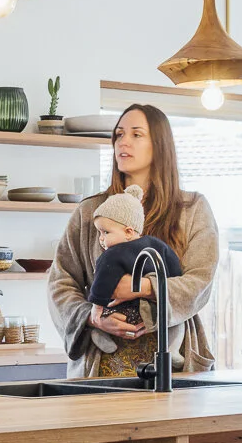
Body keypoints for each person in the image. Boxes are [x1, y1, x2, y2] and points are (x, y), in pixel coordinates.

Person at [49, 103, 219, 378]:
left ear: (160, 145)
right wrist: (93, 317)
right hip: (101, 369)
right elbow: (60, 283)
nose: (123, 142)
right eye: (119, 134)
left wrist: (144, 288)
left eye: (136, 134)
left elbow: (201, 281)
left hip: (174, 366)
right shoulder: (90, 212)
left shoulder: (192, 209)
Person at [85, 184, 184, 352]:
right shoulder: (157, 245)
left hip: (126, 312)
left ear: (128, 232)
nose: (101, 239)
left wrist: (97, 309)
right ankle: (172, 349)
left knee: (103, 317)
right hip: (150, 311)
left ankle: (101, 337)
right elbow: (174, 268)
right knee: (174, 318)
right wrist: (169, 288)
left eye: (105, 232)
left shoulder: (112, 254)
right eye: (99, 233)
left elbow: (101, 282)